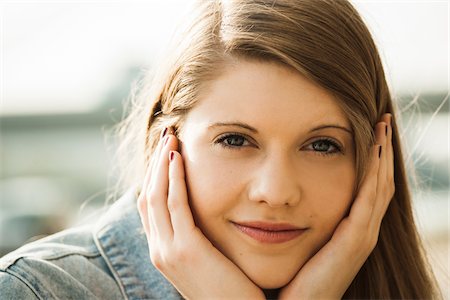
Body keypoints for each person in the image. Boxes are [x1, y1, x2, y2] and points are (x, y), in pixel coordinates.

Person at [0, 0, 441, 299]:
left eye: (322, 145)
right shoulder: (36, 290)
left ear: (374, 161)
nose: (276, 191)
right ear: (166, 144)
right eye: (235, 140)